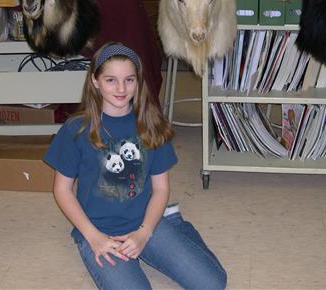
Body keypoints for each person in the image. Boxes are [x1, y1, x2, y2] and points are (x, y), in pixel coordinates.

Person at [44, 42, 227, 290]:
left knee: (212, 284)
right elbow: (62, 190)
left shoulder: (152, 124)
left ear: (138, 82)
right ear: (95, 82)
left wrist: (145, 232)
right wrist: (93, 237)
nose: (121, 88)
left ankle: (171, 222)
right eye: (111, 80)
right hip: (99, 232)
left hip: (146, 222)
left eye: (129, 80)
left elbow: (161, 189)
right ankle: (166, 224)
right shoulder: (75, 129)